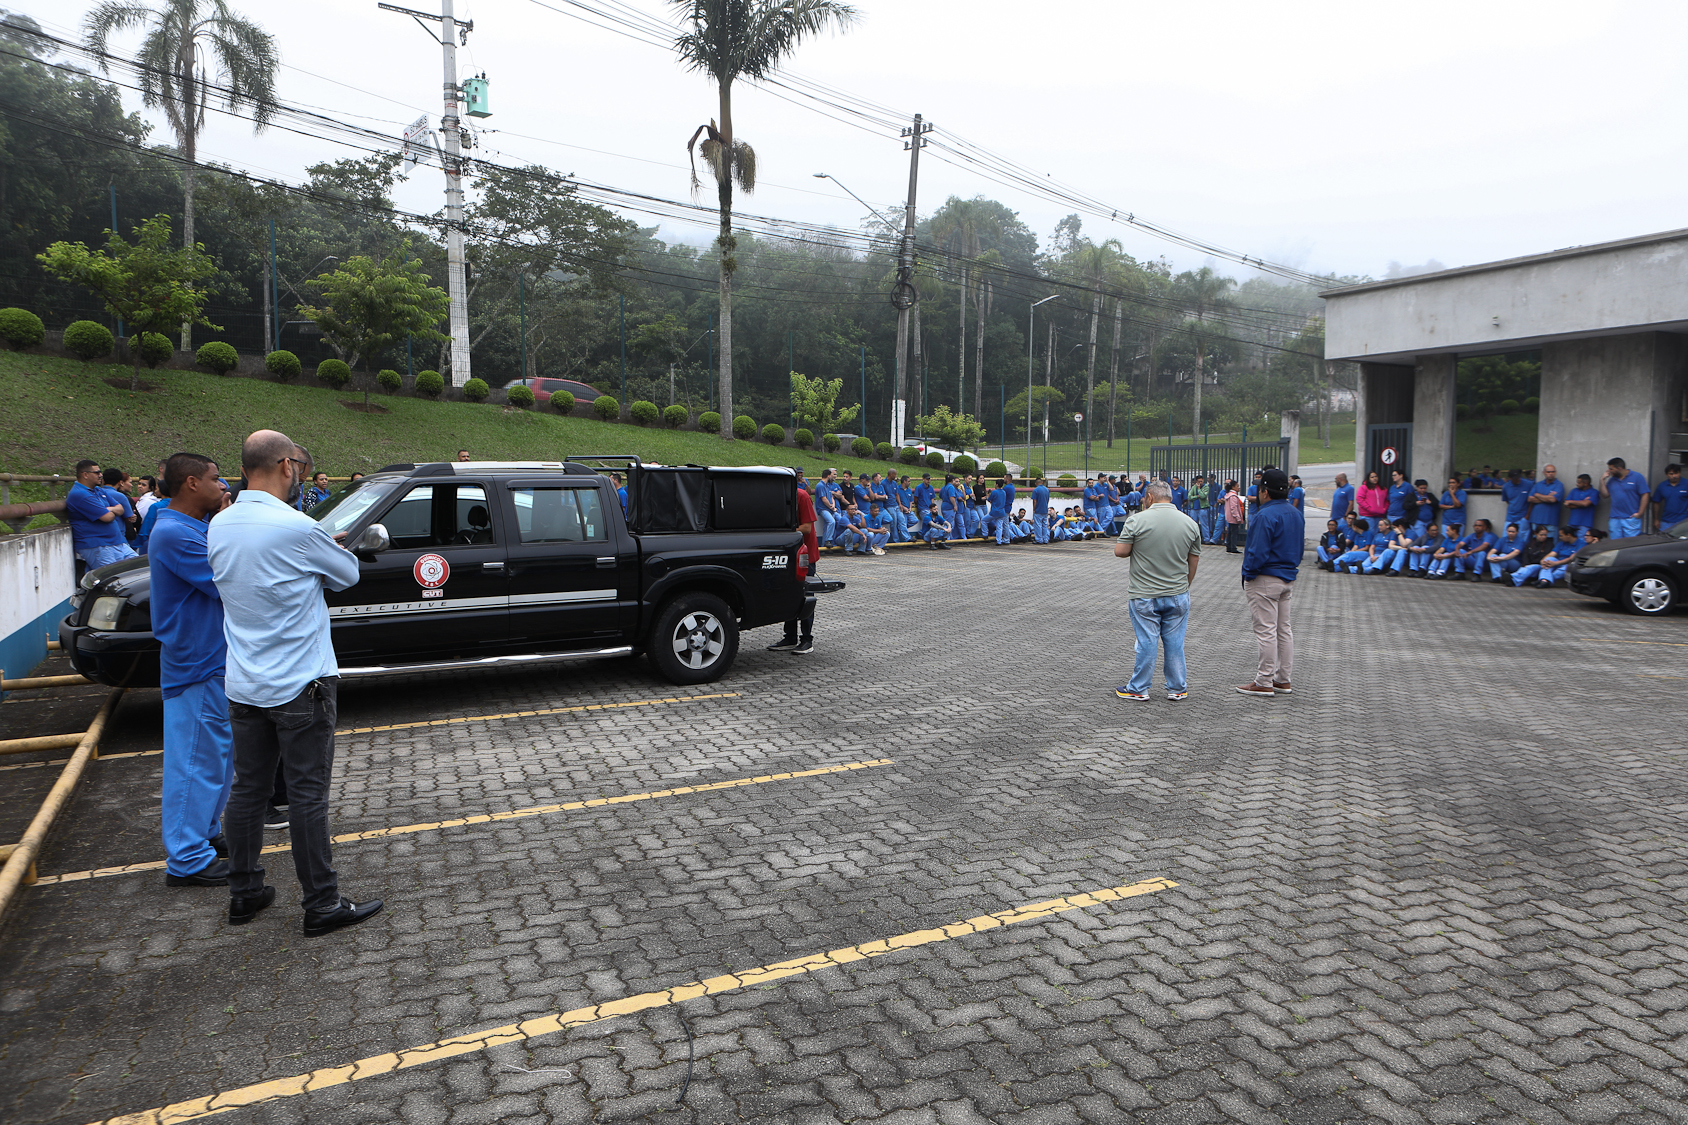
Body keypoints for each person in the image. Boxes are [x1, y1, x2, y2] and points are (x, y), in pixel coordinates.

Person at [208, 430, 379, 936]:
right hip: (302, 684)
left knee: (248, 791)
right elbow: (347, 575)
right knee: (307, 796)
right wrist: (321, 553)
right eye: (300, 465)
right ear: (287, 466)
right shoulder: (298, 527)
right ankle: (321, 903)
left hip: (244, 683)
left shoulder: (220, 523)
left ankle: (244, 893)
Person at [149, 452, 237, 888]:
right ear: (190, 483)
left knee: (216, 757)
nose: (223, 486)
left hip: (211, 659)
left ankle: (204, 832)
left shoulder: (193, 527)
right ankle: (187, 858)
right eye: (216, 479)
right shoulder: (174, 533)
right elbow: (229, 580)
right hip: (195, 664)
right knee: (195, 761)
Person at [1111, 480, 1201, 702]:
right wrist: (1185, 585)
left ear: (1150, 497)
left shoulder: (1137, 520)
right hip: (1177, 593)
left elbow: (1120, 551)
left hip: (1144, 594)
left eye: (1144, 498)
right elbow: (1193, 561)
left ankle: (1139, 688)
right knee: (1175, 643)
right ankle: (1177, 687)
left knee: (1147, 641)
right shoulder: (1190, 523)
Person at [1237, 468, 1303, 697]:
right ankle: (1283, 679)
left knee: (1266, 630)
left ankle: (1264, 680)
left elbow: (1256, 551)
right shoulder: (1295, 513)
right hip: (1287, 576)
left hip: (1265, 577)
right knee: (1284, 630)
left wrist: (1248, 573)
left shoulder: (1264, 515)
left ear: (1264, 491)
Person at [767, 481, 819, 655]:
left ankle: (807, 639)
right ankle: (790, 637)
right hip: (789, 554)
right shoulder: (779, 498)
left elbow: (807, 527)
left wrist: (783, 534)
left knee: (804, 596)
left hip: (805, 555)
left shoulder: (802, 496)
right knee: (788, 595)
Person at [66, 459, 138, 573]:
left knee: (138, 571)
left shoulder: (98, 490)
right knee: (112, 578)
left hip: (117, 542)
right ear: (85, 475)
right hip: (98, 546)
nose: (100, 475)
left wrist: (107, 509)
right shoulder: (80, 494)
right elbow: (107, 517)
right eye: (97, 472)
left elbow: (120, 509)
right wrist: (110, 511)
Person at [1600, 457, 1649, 538]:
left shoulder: (1637, 477)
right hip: (1615, 518)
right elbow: (1605, 495)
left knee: (1631, 543)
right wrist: (1602, 480)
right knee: (1615, 543)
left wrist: (1640, 513)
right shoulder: (1612, 480)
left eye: (1611, 469)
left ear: (1619, 468)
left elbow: (1645, 494)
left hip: (1631, 518)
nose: (1609, 471)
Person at [1526, 465, 1565, 535]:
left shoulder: (1559, 485)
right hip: (1535, 520)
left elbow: (1553, 500)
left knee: (1550, 541)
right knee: (1535, 541)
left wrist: (1537, 495)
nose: (1551, 474)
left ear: (1555, 472)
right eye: (1548, 472)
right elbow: (1530, 499)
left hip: (1550, 521)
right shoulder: (1538, 484)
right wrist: (1548, 497)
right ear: (1544, 472)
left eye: (1553, 472)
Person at [1563, 474, 1598, 544]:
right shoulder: (1574, 491)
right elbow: (1566, 504)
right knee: (1569, 543)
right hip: (1572, 522)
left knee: (1581, 543)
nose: (1577, 484)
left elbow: (1586, 504)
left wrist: (1572, 501)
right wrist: (1582, 502)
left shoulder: (1594, 492)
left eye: (1579, 482)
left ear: (1586, 483)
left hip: (1585, 524)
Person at [1653, 464, 1688, 530]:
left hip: (1683, 521)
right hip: (1666, 521)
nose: (1674, 476)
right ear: (1666, 474)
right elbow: (1656, 502)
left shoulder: (1686, 484)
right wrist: (1656, 519)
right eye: (1671, 474)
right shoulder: (1662, 486)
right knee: (1663, 537)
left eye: (1676, 473)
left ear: (1680, 473)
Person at [1501, 469, 1532, 533]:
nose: (1518, 479)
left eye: (1519, 477)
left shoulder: (1529, 484)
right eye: (1515, 478)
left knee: (1522, 538)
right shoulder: (1506, 487)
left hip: (1523, 517)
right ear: (1510, 478)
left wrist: (1527, 516)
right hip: (1510, 517)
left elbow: (1531, 501)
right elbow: (1507, 500)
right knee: (1506, 536)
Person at [1222, 481, 1245, 552]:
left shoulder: (1228, 495)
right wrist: (1238, 517)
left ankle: (1229, 546)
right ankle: (1233, 547)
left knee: (1230, 532)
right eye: (1237, 486)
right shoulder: (1233, 496)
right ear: (1233, 487)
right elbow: (1234, 508)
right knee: (1234, 533)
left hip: (1229, 516)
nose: (1239, 488)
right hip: (1234, 517)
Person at [1031, 476, 1051, 543]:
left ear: (1036, 483)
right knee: (1044, 525)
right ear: (1042, 482)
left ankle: (1039, 539)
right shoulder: (1047, 490)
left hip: (1038, 510)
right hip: (1045, 510)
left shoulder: (1036, 490)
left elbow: (1034, 501)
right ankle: (1045, 539)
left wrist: (1034, 508)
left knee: (1038, 525)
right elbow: (1047, 499)